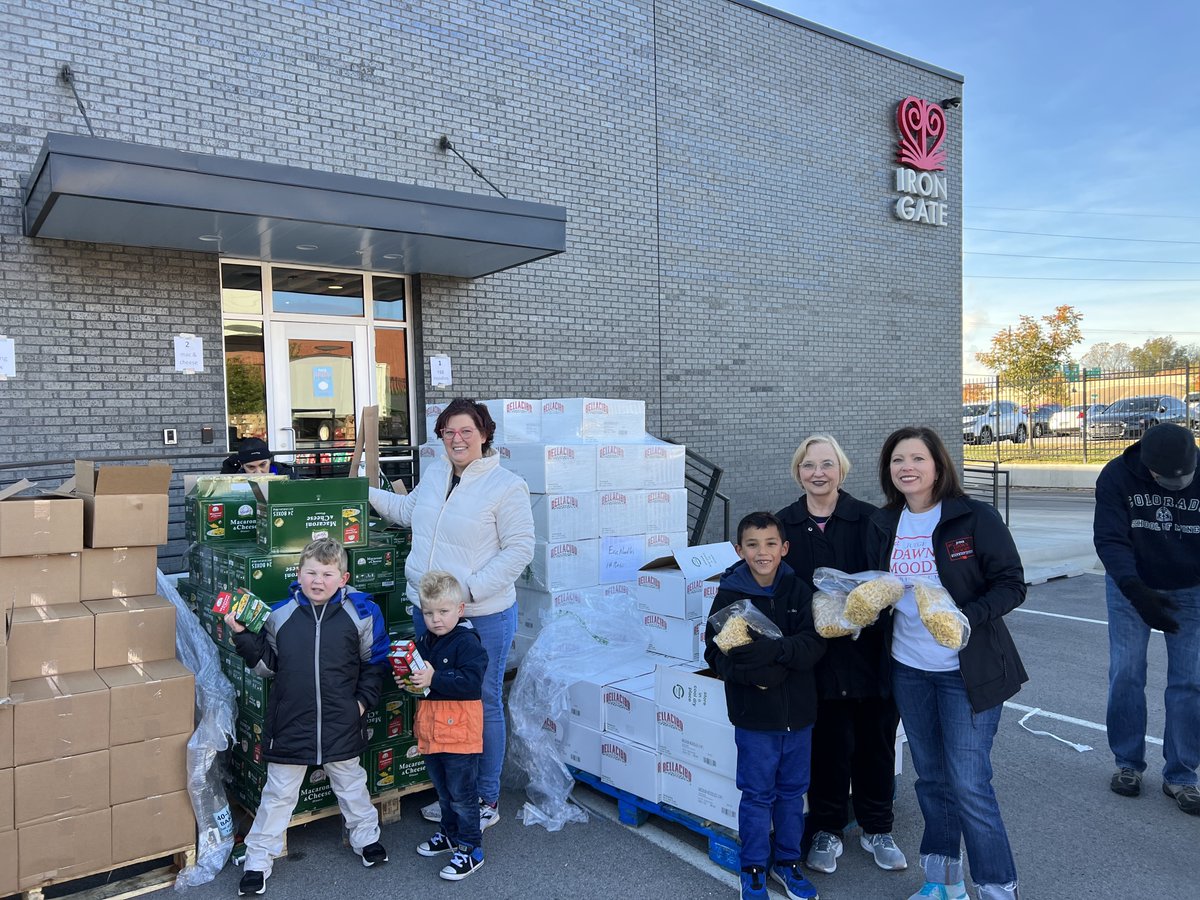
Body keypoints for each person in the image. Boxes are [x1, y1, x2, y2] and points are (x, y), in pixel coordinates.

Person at [866, 427, 1026, 900]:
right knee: (931, 778)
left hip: (966, 672)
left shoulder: (973, 517)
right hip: (908, 668)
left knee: (970, 785)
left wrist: (962, 617)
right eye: (898, 459)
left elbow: (1011, 584)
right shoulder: (884, 522)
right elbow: (879, 586)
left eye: (917, 457)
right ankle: (944, 882)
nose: (907, 467)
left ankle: (998, 890)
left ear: (938, 465)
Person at [368, 397, 535, 831]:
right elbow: (408, 512)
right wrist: (357, 492)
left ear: (484, 434)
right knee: (441, 697)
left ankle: (485, 798)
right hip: (433, 611)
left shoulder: (505, 485)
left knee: (482, 701)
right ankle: (455, 796)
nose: (457, 439)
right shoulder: (438, 473)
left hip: (482, 615)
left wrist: (467, 592)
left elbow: (519, 550)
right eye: (448, 432)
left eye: (466, 431)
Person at [227, 538, 391, 896]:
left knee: (351, 782)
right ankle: (257, 860)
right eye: (311, 572)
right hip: (291, 724)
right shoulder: (280, 615)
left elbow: (374, 664)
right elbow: (265, 667)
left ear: (343, 577)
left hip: (341, 721)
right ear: (298, 574)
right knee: (278, 795)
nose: (319, 580)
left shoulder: (361, 614)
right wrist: (243, 638)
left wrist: (361, 705)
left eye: (327, 574)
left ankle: (366, 839)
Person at [776, 434, 906, 875]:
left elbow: (892, 583)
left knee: (876, 745)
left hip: (870, 657)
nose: (818, 473)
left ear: (841, 470)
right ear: (799, 472)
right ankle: (828, 830)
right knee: (827, 749)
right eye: (809, 465)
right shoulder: (785, 526)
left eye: (827, 464)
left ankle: (877, 827)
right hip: (818, 661)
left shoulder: (870, 519)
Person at [704, 511, 826, 900]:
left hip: (799, 716)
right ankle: (753, 867)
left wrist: (778, 652)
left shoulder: (799, 590)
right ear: (739, 550)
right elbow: (715, 655)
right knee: (757, 794)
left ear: (784, 547)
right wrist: (750, 676)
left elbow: (816, 642)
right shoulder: (729, 595)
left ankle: (787, 863)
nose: (762, 552)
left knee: (793, 793)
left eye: (771, 543)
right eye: (753, 545)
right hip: (754, 719)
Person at [1093, 422, 1200, 815]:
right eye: (1166, 479)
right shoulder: (1117, 476)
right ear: (1148, 466)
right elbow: (1109, 538)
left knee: (1190, 680)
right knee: (1126, 671)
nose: (1177, 483)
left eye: (1184, 477)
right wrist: (1136, 590)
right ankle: (1128, 764)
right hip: (1131, 584)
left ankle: (1182, 774)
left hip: (1192, 588)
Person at [409, 571, 490, 880]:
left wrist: (434, 678)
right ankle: (450, 834)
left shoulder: (467, 642)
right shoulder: (426, 641)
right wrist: (409, 678)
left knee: (463, 795)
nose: (436, 619)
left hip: (460, 735)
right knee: (443, 792)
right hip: (431, 731)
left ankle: (471, 847)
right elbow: (422, 684)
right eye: (428, 613)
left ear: (460, 610)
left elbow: (472, 683)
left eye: (443, 612)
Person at [220, 437, 294, 477]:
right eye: (251, 467)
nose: (258, 472)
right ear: (242, 466)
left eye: (262, 465)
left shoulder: (285, 475)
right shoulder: (237, 478)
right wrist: (226, 475)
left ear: (270, 461)